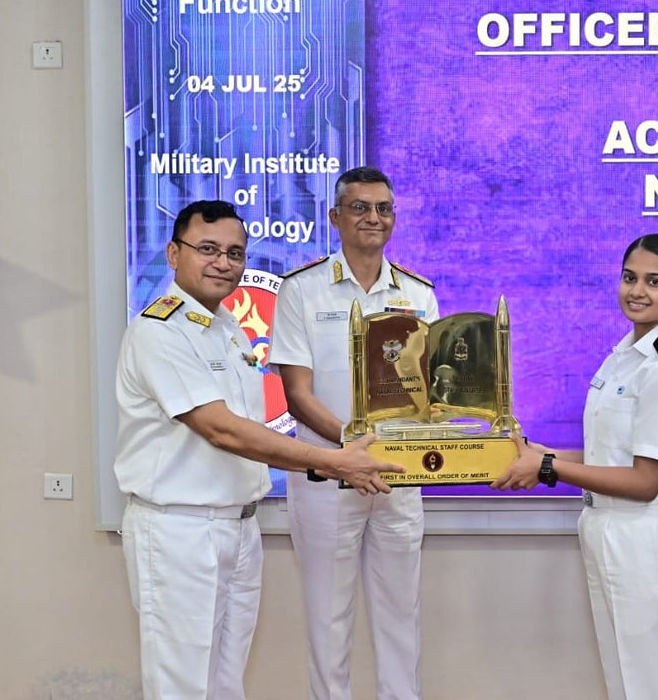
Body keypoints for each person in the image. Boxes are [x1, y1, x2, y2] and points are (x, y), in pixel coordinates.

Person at [115, 199, 403, 700]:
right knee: (182, 684)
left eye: (235, 252)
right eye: (208, 249)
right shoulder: (159, 332)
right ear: (173, 253)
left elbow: (247, 429)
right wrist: (338, 461)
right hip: (181, 530)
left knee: (226, 683)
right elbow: (223, 430)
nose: (223, 263)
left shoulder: (227, 328)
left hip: (238, 527)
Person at [492, 234, 658, 700]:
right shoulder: (626, 354)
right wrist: (530, 451)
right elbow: (610, 456)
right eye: (630, 278)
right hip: (607, 526)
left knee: (651, 683)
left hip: (645, 534)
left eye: (655, 282)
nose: (638, 291)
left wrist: (547, 466)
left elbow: (645, 480)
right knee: (623, 678)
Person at [268, 167, 439, 700]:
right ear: (335, 217)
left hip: (398, 476)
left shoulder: (418, 294)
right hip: (326, 476)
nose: (373, 217)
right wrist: (351, 452)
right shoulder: (301, 289)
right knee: (328, 618)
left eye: (383, 208)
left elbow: (430, 394)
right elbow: (297, 395)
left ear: (394, 217)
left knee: (400, 618)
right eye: (360, 207)